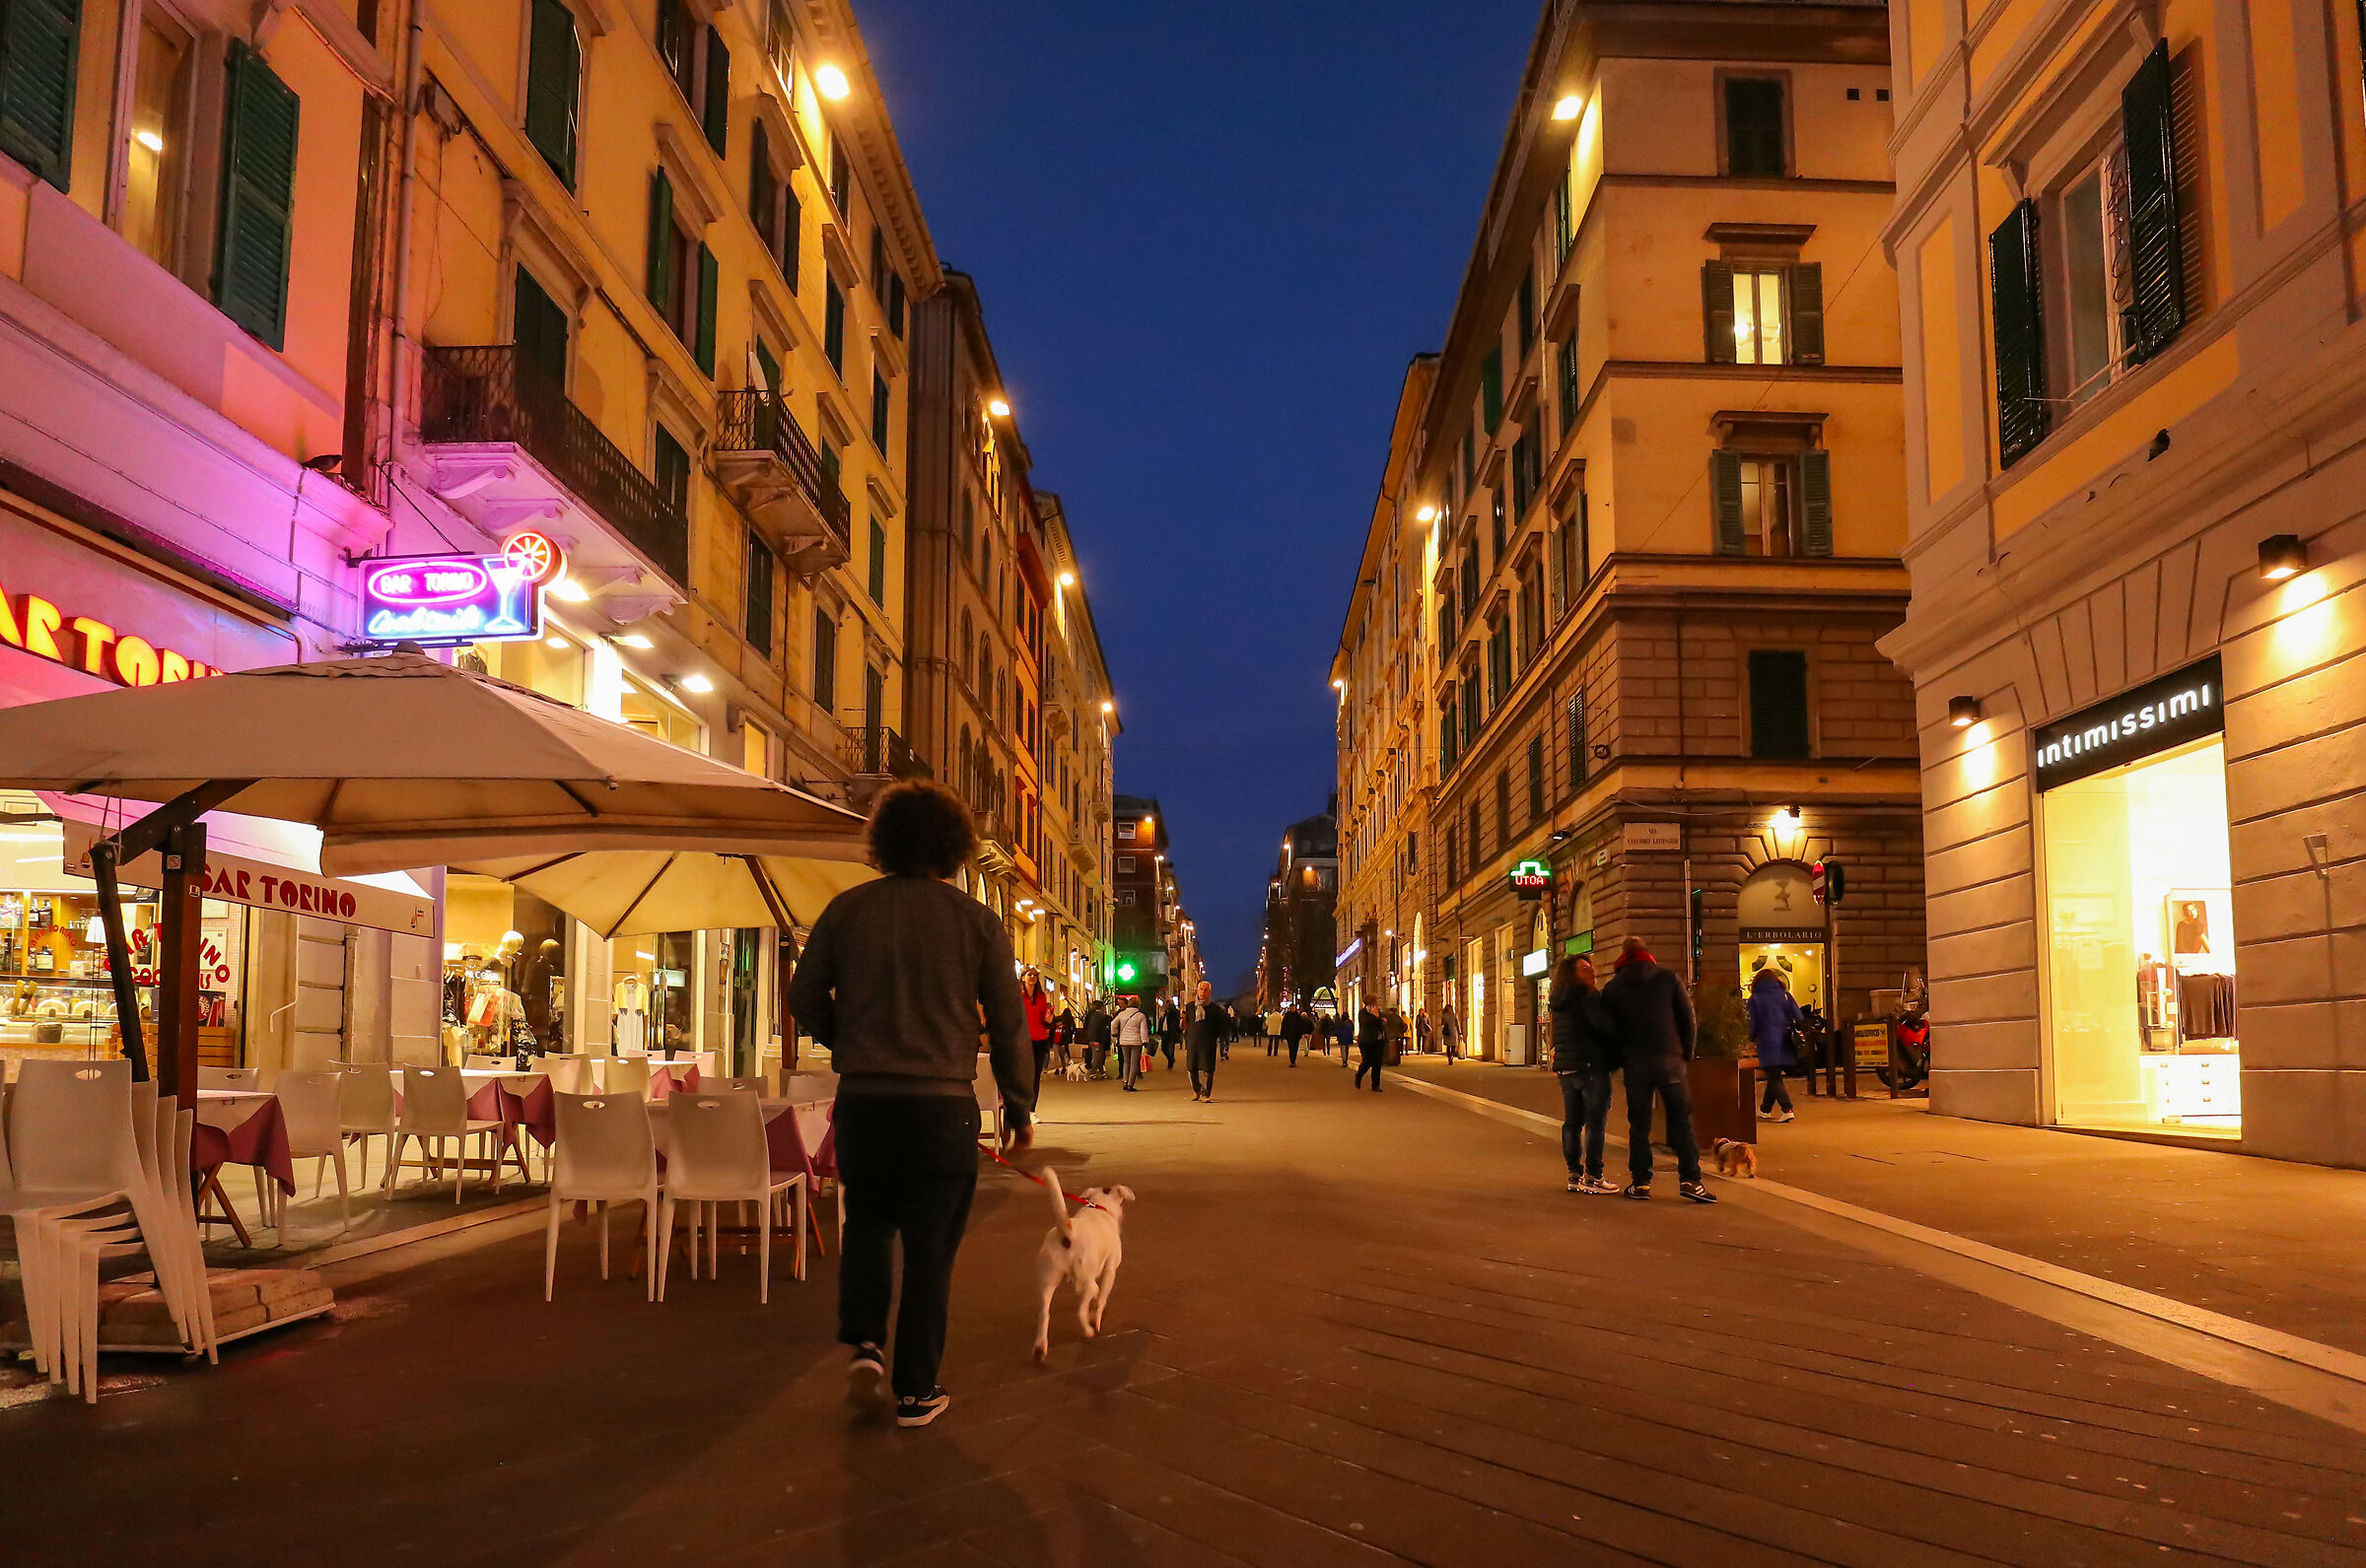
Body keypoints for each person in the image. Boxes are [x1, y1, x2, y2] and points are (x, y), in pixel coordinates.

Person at [786, 780, 1033, 1429]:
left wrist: (850, 1039)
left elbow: (804, 995)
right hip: (941, 1107)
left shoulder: (847, 909)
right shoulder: (979, 922)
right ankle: (915, 1389)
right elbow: (1009, 1023)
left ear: (884, 840)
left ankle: (865, 1342)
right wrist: (1020, 1105)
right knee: (931, 1250)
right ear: (954, 849)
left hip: (865, 1101)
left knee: (867, 1223)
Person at [1600, 935, 1713, 1203]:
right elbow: (1689, 1018)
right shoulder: (1668, 978)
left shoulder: (1613, 988)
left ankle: (1641, 1183)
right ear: (1646, 953)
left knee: (1639, 1124)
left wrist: (1619, 1058)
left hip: (1636, 1062)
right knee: (1682, 1120)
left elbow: (1609, 1030)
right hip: (1670, 1060)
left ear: (1624, 956)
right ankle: (1691, 1180)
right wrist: (1687, 1052)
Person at [1549, 954, 1624, 1193]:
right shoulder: (1586, 996)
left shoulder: (1558, 999)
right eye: (1584, 968)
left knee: (1572, 1123)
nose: (1592, 971)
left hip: (1566, 1069)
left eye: (1591, 967)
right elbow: (1605, 1027)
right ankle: (1594, 1175)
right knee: (1595, 1123)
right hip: (1591, 1068)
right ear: (1573, 973)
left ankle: (1573, 1174)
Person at [1748, 969, 1802, 1123]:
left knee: (1774, 1076)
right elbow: (1798, 1017)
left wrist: (1751, 1038)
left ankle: (1787, 1108)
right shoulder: (1786, 996)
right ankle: (1765, 1109)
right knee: (1774, 1075)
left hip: (1767, 1041)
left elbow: (1753, 1023)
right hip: (1785, 1041)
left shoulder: (1755, 999)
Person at [1184, 981, 1228, 1101]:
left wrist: (1214, 1037)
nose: (1203, 992)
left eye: (1205, 990)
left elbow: (1222, 1026)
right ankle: (1197, 1090)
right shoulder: (1190, 1007)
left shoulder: (1215, 1009)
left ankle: (1206, 1094)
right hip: (1193, 1041)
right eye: (1201, 989)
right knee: (1191, 1068)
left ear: (1209, 992)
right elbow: (1187, 1022)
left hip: (1208, 1042)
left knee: (1208, 1069)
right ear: (1197, 990)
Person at [1021, 969, 1054, 1090]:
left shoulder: (1041, 997)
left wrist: (1048, 1020)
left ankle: (1031, 1108)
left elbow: (1044, 1021)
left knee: (1035, 1077)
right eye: (1030, 974)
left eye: (1035, 975)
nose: (1032, 977)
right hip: (1022, 1041)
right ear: (1023, 977)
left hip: (1039, 1040)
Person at [1113, 994, 1151, 1091]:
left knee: (1126, 1062)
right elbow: (1144, 1030)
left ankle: (1125, 1081)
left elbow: (1113, 1023)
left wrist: (1114, 1034)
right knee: (1134, 1063)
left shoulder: (1122, 1014)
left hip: (1124, 1041)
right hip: (1136, 1042)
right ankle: (1130, 1084)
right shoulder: (1141, 1016)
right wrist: (1145, 1042)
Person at [1353, 1001, 1387, 1091]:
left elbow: (1381, 1023)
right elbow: (1365, 1022)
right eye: (1373, 1004)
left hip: (1378, 1041)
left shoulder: (1378, 1012)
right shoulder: (1363, 1013)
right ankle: (1359, 1075)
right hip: (1366, 1041)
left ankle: (1375, 1085)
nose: (1376, 1006)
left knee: (1377, 1063)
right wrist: (1375, 1016)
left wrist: (1382, 1020)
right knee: (1367, 1060)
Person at [1080, 995, 1112, 1079]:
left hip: (1093, 1039)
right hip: (1097, 1040)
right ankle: (1093, 1073)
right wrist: (1097, 1040)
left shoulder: (1092, 1015)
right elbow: (1098, 1029)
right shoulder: (1100, 1017)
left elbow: (1089, 1028)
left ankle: (1102, 1073)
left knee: (1099, 1057)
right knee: (1097, 1057)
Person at [1158, 997, 1182, 1069]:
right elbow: (1162, 1022)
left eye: (1167, 1004)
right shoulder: (1165, 1013)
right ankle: (1171, 1059)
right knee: (1163, 1048)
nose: (1166, 1005)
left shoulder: (1174, 1013)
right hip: (1164, 1033)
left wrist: (1171, 1005)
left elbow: (1175, 1022)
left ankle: (1170, 1064)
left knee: (1170, 1049)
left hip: (1171, 1033)